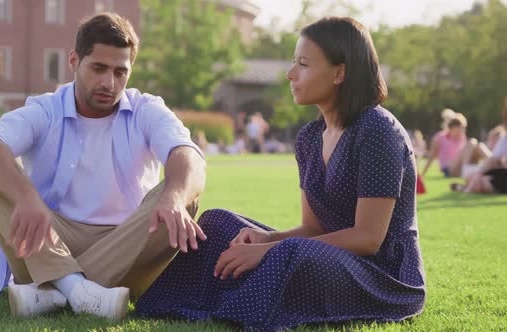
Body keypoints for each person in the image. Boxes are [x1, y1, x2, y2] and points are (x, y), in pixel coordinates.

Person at [136, 17, 425, 331]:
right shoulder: (310, 138)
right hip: (324, 255)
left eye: (303, 64)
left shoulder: (378, 131)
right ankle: (175, 302)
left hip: (381, 277)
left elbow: (368, 239)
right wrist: (266, 238)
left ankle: (230, 307)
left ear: (339, 72)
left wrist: (268, 250)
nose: (290, 74)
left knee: (289, 254)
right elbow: (312, 228)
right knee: (217, 222)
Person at [0, 13, 206, 320]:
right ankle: (79, 291)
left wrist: (174, 196)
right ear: (74, 61)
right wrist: (26, 196)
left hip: (126, 243)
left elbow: (189, 156)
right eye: (98, 68)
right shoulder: (45, 109)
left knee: (183, 195)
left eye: (120, 72)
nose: (109, 82)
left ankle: (55, 290)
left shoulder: (147, 109)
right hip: (48, 239)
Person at [421, 113, 491, 178]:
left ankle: (493, 164)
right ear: (452, 128)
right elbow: (432, 156)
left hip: (461, 165)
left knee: (479, 145)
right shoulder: (440, 137)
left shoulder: (462, 137)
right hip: (449, 169)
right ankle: (466, 169)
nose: (462, 132)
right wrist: (423, 174)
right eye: (460, 130)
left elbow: (467, 152)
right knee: (472, 142)